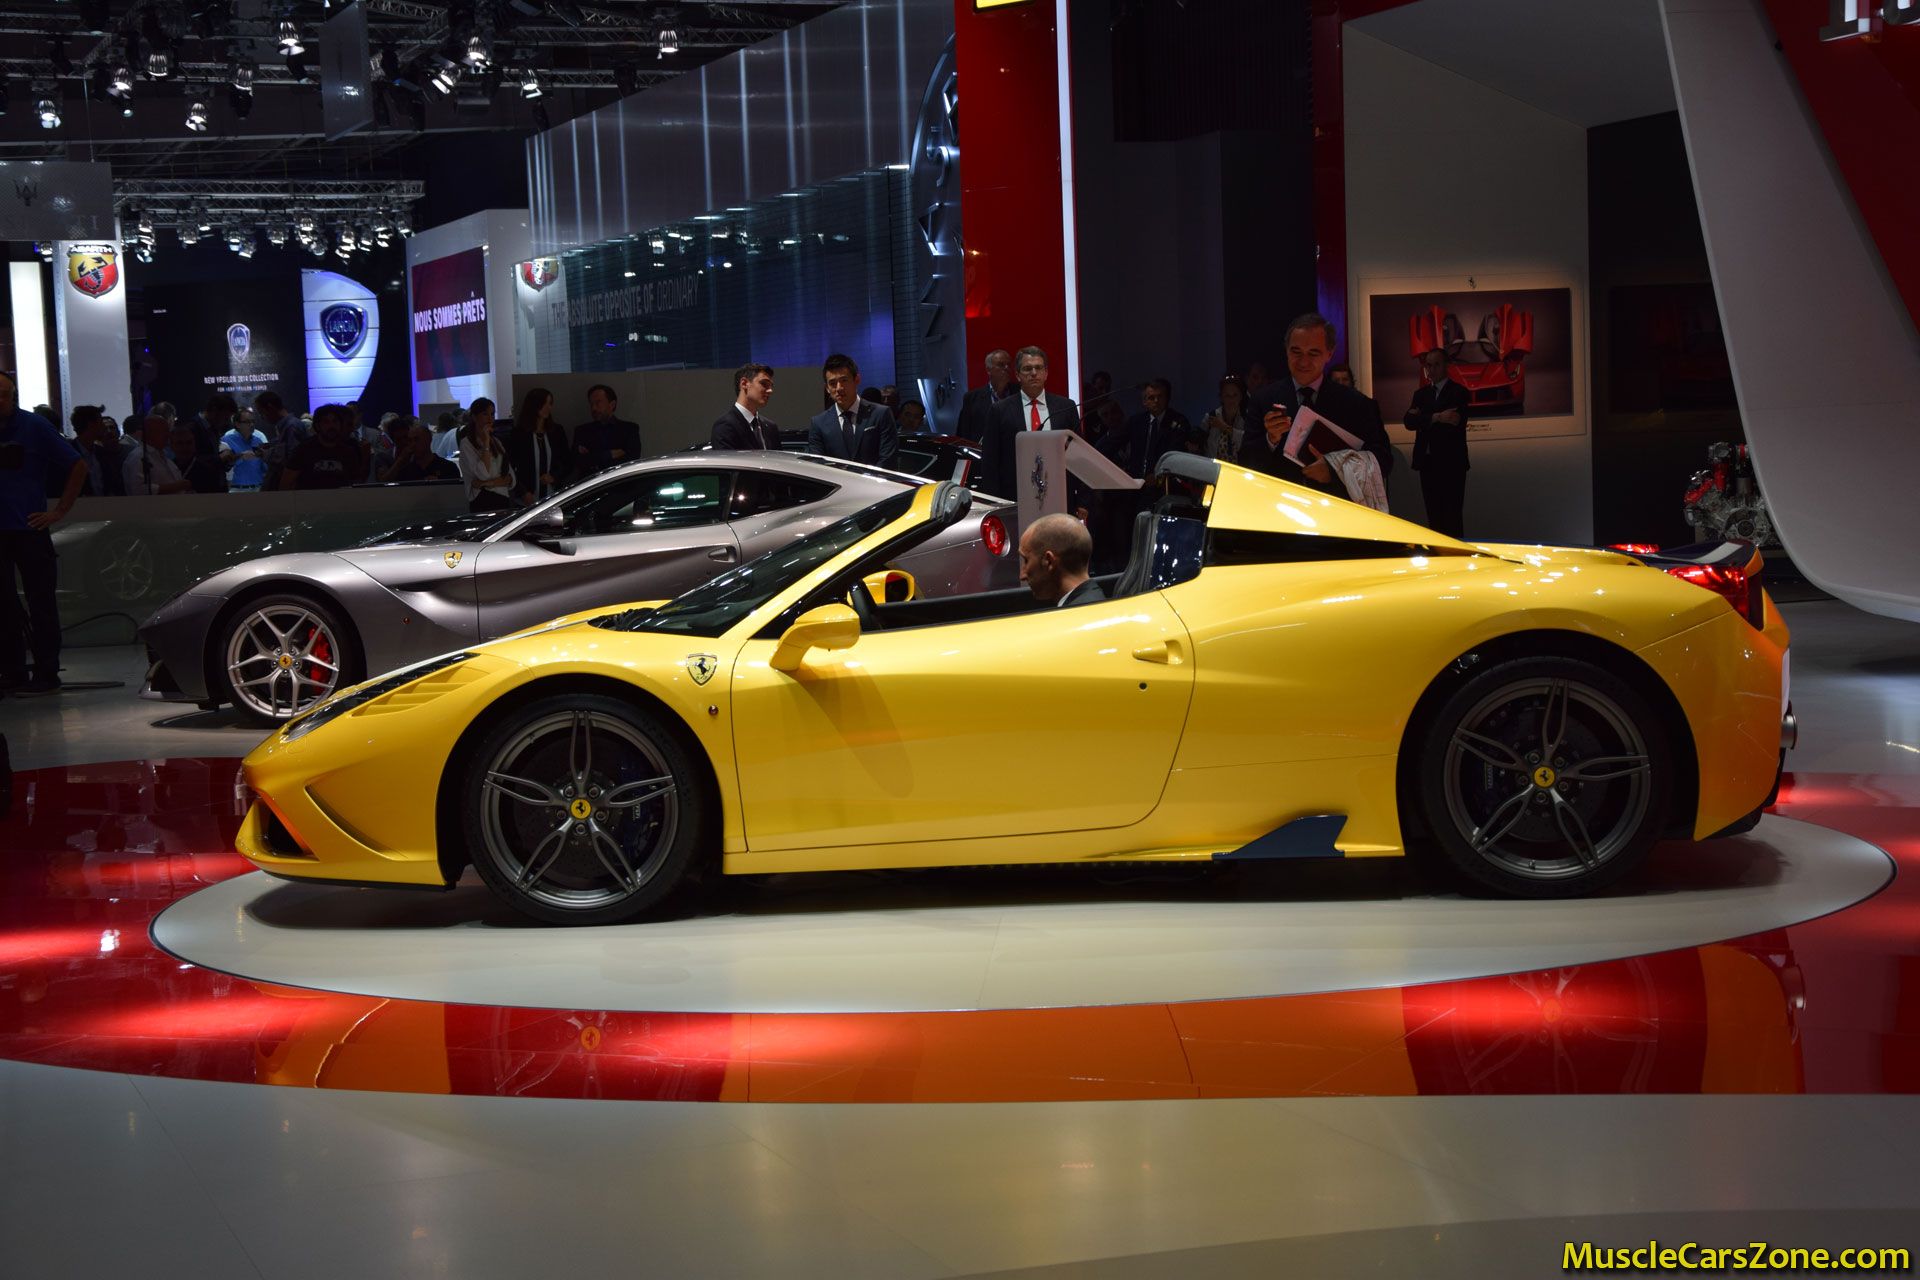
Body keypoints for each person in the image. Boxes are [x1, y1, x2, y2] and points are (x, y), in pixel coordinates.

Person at [0, 371, 87, 695]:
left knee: (41, 604)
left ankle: (47, 673)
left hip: (29, 529)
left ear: (13, 396)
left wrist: (59, 511)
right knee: (4, 605)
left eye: (3, 395)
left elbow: (77, 465)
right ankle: (12, 671)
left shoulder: (34, 426)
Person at [1244, 313, 1393, 499]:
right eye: (1296, 351)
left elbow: (1383, 461)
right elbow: (1246, 462)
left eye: (1313, 353)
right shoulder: (1262, 400)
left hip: (1336, 508)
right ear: (1286, 350)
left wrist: (1335, 469)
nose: (1303, 361)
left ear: (1329, 354)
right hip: (1280, 505)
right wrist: (1270, 440)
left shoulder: (1357, 404)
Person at [979, 346, 1081, 500]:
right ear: (1017, 375)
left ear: (1046, 373)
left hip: (1059, 495)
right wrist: (994, 501)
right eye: (1027, 369)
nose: (1033, 373)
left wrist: (1082, 500)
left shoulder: (1065, 407)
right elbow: (990, 461)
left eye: (1038, 368)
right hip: (1014, 497)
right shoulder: (999, 410)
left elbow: (1078, 456)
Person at [1404, 347, 1472, 538]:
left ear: (1446, 366)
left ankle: (1455, 553)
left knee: (1452, 516)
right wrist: (1437, 417)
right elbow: (1409, 422)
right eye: (1429, 365)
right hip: (1427, 463)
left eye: (1436, 365)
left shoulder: (1458, 392)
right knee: (1433, 516)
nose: (1432, 370)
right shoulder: (1421, 394)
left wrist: (1424, 418)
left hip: (1451, 463)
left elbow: (1455, 422)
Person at [808, 354, 900, 469]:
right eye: (832, 383)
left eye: (844, 380)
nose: (839, 388)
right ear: (827, 388)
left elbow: (888, 461)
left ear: (857, 380)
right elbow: (818, 467)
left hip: (876, 480)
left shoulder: (880, 414)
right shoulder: (818, 423)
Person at [1099, 379, 1193, 480]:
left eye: (1160, 397)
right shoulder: (1136, 421)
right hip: (1137, 483)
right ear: (1144, 402)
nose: (1156, 401)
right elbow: (1113, 443)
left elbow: (1175, 454)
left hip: (1164, 481)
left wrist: (1158, 474)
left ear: (1167, 399)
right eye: (1151, 398)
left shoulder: (1178, 422)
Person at [1018, 513, 1105, 608]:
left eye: (1026, 560)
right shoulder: (1095, 603)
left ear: (1049, 561)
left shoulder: (1074, 615)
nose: (1022, 575)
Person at [507, 386, 571, 505]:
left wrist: (553, 477)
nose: (548, 407)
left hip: (553, 496)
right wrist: (523, 492)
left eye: (550, 403)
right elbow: (510, 466)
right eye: (544, 403)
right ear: (534, 405)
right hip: (526, 498)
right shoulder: (519, 434)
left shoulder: (556, 431)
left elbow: (567, 462)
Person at [280, 403, 367, 491]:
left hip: (341, 499)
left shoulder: (349, 452)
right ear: (317, 425)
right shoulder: (303, 450)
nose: (331, 426)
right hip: (310, 499)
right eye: (326, 422)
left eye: (335, 421)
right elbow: (286, 484)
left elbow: (356, 483)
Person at [457, 398, 516, 511]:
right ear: (474, 417)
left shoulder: (497, 442)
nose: (490, 419)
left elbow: (510, 478)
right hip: (482, 501)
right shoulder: (466, 444)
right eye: (485, 414)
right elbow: (483, 474)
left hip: (503, 500)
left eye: (492, 414)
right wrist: (486, 442)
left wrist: (488, 483)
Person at [573, 384, 642, 479]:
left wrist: (593, 458)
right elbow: (578, 461)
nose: (593, 408)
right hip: (591, 485)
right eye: (591, 404)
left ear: (612, 404)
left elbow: (631, 460)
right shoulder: (582, 431)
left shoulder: (629, 429)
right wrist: (609, 455)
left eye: (598, 403)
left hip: (620, 482)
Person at [709, 364, 780, 450]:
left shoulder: (771, 427)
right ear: (744, 383)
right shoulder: (724, 427)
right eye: (764, 384)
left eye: (771, 386)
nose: (770, 390)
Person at [122, 414, 192, 495]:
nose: (168, 435)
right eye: (164, 431)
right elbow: (138, 490)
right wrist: (177, 486)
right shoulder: (138, 457)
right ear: (150, 433)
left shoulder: (163, 456)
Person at [956, 349, 1014, 443]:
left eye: (1009, 364)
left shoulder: (1019, 393)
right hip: (983, 450)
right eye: (1001, 364)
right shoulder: (972, 398)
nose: (1006, 368)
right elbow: (963, 434)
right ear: (988, 369)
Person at [381, 420, 460, 483]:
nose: (412, 444)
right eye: (410, 441)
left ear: (429, 439)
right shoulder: (405, 471)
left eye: (416, 439)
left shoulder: (448, 468)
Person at [69, 406, 123, 496]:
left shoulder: (103, 453)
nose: (104, 427)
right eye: (101, 422)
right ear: (91, 425)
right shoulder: (68, 455)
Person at [1200, 374, 1253, 463]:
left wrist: (1223, 426)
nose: (1231, 399)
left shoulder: (1247, 417)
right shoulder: (1211, 417)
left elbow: (1248, 443)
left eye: (1235, 395)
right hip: (1214, 468)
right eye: (1227, 395)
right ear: (1221, 397)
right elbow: (1202, 446)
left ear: (1241, 396)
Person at [170, 423, 228, 493]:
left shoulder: (209, 471)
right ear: (172, 445)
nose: (185, 447)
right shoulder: (168, 468)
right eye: (180, 443)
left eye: (189, 443)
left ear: (194, 444)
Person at [218, 412, 270, 492]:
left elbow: (263, 467)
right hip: (236, 489)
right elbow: (221, 465)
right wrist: (240, 457)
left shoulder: (258, 440)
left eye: (253, 421)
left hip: (258, 488)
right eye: (248, 422)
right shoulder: (226, 440)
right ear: (237, 424)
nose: (252, 424)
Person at [188, 393, 236, 457]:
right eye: (226, 418)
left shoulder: (213, 428)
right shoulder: (192, 429)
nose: (227, 422)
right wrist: (220, 458)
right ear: (214, 410)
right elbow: (189, 458)